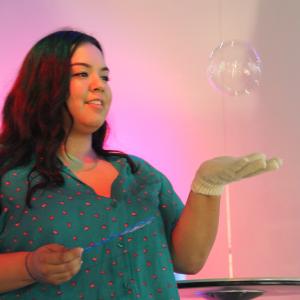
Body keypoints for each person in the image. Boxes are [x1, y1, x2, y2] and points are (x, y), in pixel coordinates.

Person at [0, 30, 282, 300]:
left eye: (105, 76)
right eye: (82, 73)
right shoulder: (9, 178)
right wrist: (28, 266)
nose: (99, 84)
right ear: (43, 84)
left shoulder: (139, 173)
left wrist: (207, 187)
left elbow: (188, 259)